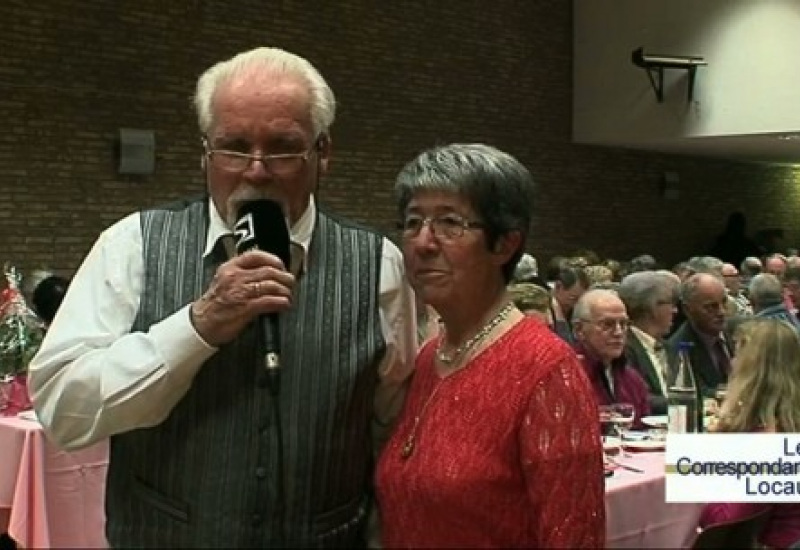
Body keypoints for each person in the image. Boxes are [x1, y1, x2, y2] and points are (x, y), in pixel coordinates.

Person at [28, 47, 417, 547]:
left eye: (282, 147)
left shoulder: (380, 266)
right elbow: (63, 410)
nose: (256, 170)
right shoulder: (133, 246)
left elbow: (393, 432)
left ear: (323, 153)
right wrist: (197, 326)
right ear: (205, 153)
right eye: (234, 146)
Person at [375, 143, 605, 548]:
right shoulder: (433, 355)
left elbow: (574, 538)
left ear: (505, 244)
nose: (423, 243)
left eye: (449, 223)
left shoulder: (547, 371)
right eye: (412, 222)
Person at [700, 318, 800, 548]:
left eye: (737, 356)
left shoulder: (767, 442)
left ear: (750, 370)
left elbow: (720, 524)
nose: (732, 363)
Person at [572, 288, 651, 427]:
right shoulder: (568, 377)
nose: (618, 332)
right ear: (579, 330)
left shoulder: (633, 379)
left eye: (623, 324)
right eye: (607, 324)